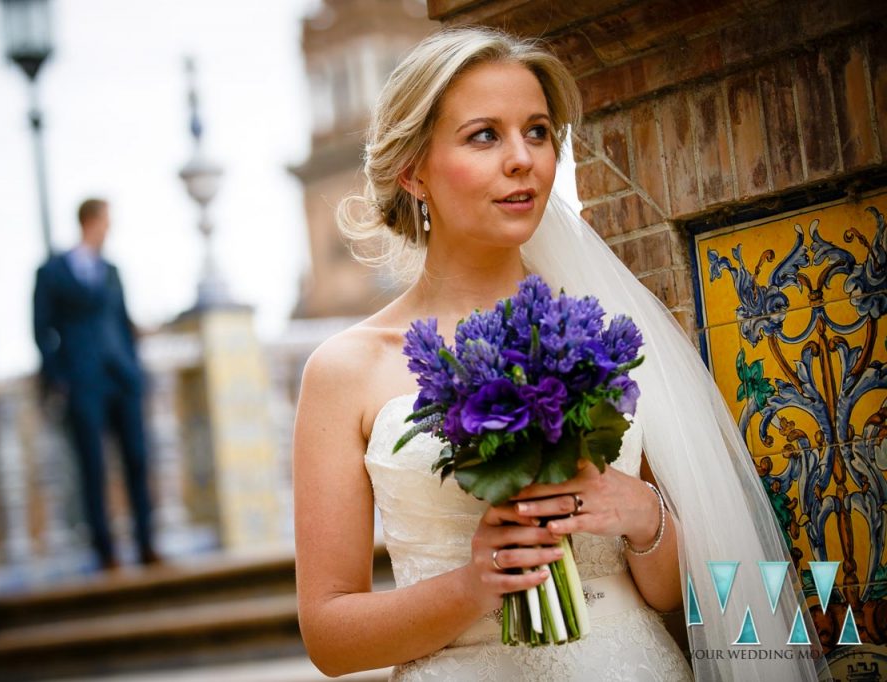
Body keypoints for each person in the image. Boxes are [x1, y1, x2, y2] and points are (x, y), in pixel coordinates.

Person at [292, 28, 830, 681]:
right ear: (413, 171)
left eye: (538, 131)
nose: (523, 159)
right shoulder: (346, 370)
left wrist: (645, 517)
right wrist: (474, 586)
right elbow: (330, 638)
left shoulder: (608, 329)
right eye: (484, 135)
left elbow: (682, 597)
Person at [33, 198, 158, 570]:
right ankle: (106, 552)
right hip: (83, 383)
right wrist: (60, 376)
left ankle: (146, 545)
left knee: (137, 460)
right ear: (91, 221)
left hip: (122, 378)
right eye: (106, 221)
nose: (109, 228)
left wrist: (135, 367)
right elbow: (41, 329)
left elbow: (122, 321)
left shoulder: (112, 270)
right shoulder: (52, 271)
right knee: (92, 467)